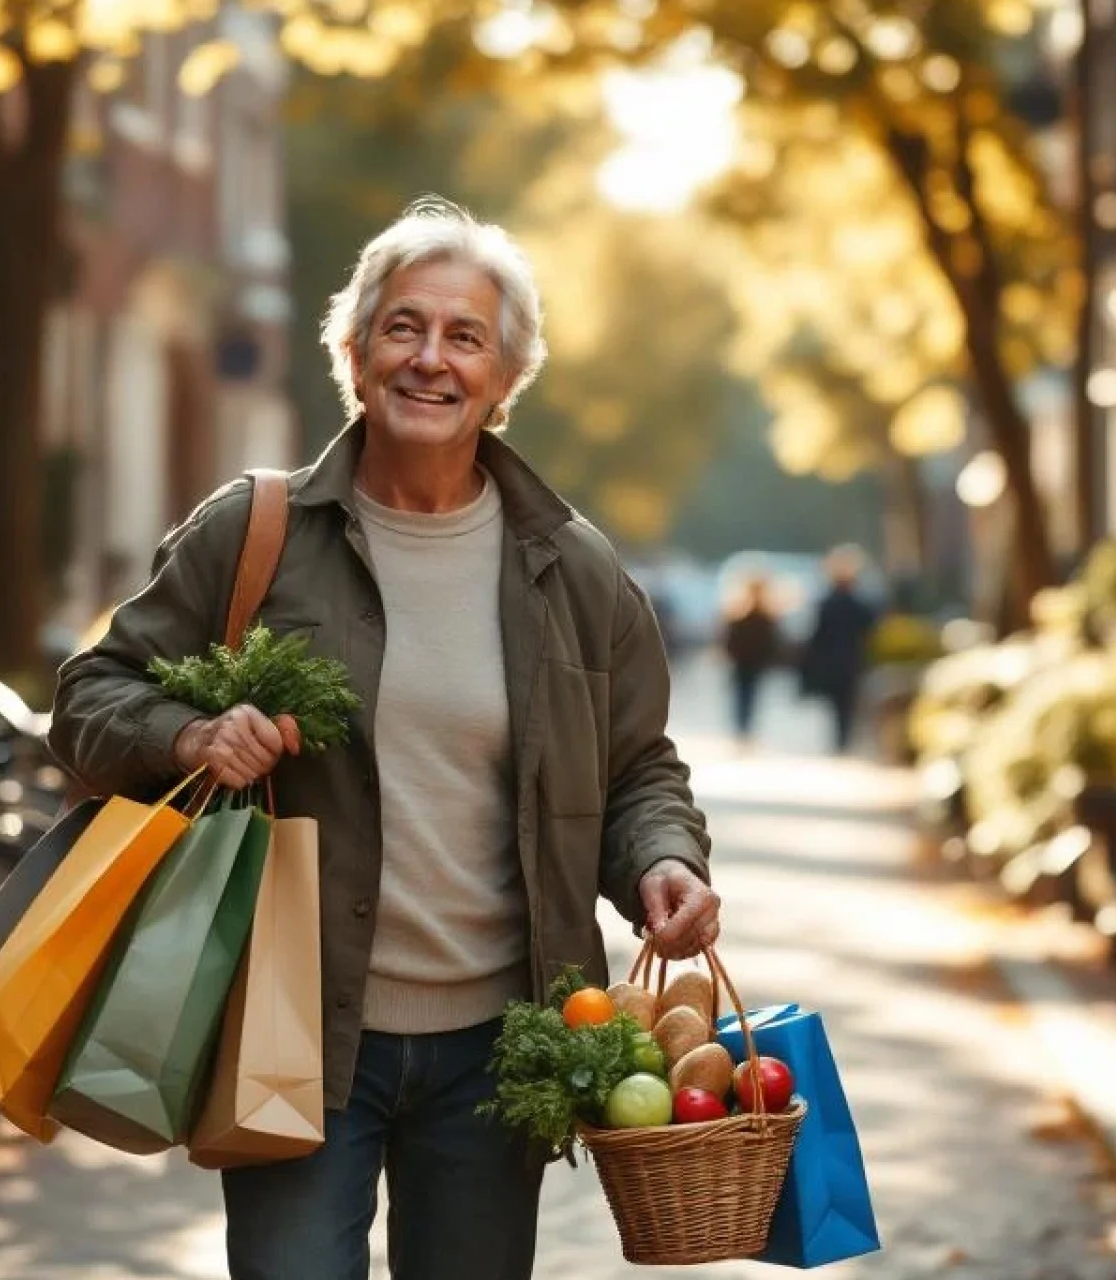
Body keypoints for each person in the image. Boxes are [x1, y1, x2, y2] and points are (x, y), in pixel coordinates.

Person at [47, 198, 719, 1280]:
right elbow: (88, 697)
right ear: (354, 354)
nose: (431, 359)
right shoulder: (255, 531)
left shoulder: (573, 568)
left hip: (503, 1051)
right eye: (403, 327)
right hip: (295, 1030)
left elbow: (637, 763)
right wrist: (188, 733)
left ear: (505, 379)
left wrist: (665, 856)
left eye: (467, 337)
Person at [799, 545, 880, 754]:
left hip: (837, 660)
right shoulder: (858, 604)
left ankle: (840, 740)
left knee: (839, 705)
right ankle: (842, 740)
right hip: (850, 660)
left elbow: (817, 635)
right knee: (844, 704)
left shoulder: (829, 603)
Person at [720, 572, 781, 743]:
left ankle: (743, 727)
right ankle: (744, 728)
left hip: (746, 661)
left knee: (743, 694)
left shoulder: (742, 612)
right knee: (749, 694)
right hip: (751, 661)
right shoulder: (762, 614)